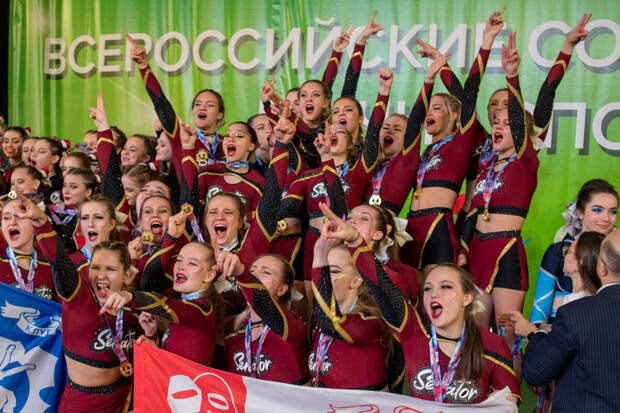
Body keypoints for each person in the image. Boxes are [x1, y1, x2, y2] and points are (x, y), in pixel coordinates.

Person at [319, 201, 520, 403]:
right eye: (428, 288)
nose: (434, 294)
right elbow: (382, 288)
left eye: (446, 287)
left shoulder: (492, 344)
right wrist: (355, 239)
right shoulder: (413, 330)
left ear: (467, 297)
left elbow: (511, 401)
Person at [20, 196, 145, 412]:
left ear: (126, 273)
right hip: (81, 403)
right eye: (95, 268)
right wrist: (41, 222)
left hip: (123, 399)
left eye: (110, 269)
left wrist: (149, 336)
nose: (101, 275)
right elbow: (59, 262)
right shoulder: (78, 296)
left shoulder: (132, 303)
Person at [516, 229, 620, 412]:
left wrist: (537, 333)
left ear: (602, 268)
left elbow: (535, 371)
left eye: (570, 251)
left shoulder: (575, 314)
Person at [531, 179, 617, 324]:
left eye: (613, 211)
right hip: (561, 332)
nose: (606, 218)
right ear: (580, 212)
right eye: (597, 210)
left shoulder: (616, 253)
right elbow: (539, 315)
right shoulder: (558, 252)